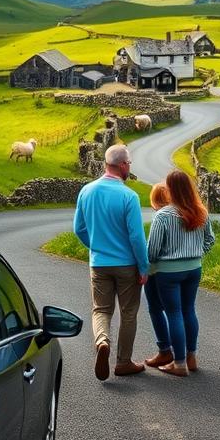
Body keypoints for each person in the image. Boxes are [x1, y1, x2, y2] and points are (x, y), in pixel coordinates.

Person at [73, 144, 148, 381]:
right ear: (123, 165)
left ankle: (102, 341)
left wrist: (96, 247)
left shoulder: (86, 191)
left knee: (101, 310)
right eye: (130, 164)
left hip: (99, 264)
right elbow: (136, 237)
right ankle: (123, 362)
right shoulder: (129, 196)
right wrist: (143, 267)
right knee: (128, 313)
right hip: (127, 265)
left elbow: (79, 229)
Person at [146, 170, 215, 377]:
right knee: (188, 310)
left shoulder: (164, 215)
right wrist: (195, 254)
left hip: (168, 272)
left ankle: (179, 363)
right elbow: (210, 240)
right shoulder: (201, 211)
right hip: (194, 269)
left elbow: (153, 250)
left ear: (171, 189)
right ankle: (191, 357)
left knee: (174, 313)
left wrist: (152, 264)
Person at [143, 182, 173, 369]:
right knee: (180, 310)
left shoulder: (160, 217)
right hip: (184, 269)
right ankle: (186, 352)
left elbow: (152, 251)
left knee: (155, 308)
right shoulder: (182, 213)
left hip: (158, 271)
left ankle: (164, 350)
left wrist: (144, 265)